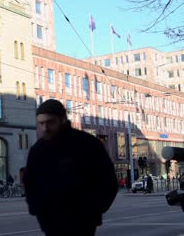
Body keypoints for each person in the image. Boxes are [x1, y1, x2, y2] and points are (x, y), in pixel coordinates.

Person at [23, 99, 118, 236]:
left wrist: (93, 211)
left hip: (83, 223)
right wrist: (37, 209)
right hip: (50, 223)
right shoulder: (38, 150)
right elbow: (29, 183)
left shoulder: (88, 144)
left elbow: (108, 181)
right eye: (41, 123)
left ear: (62, 119)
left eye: (50, 122)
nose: (45, 128)